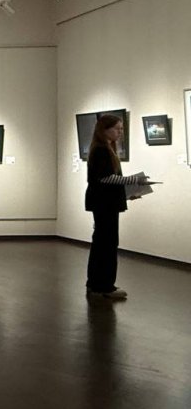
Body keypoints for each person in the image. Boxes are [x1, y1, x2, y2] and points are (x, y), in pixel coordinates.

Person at [84, 114, 149, 299]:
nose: (120, 132)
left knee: (103, 243)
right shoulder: (101, 150)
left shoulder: (107, 149)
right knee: (106, 244)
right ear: (104, 130)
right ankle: (104, 286)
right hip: (104, 204)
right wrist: (134, 180)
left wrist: (128, 194)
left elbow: (108, 181)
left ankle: (97, 284)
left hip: (105, 202)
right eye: (117, 129)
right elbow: (105, 178)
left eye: (122, 129)